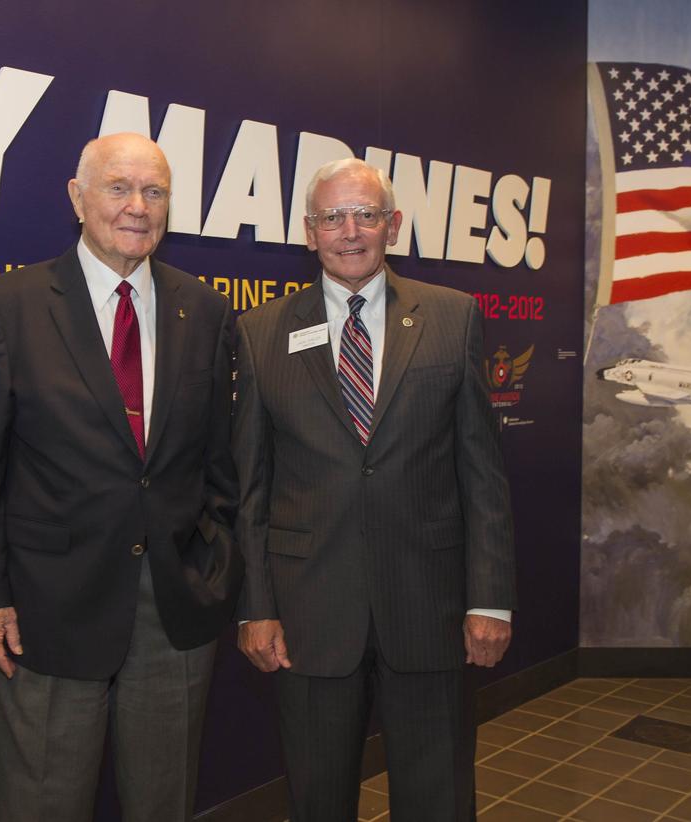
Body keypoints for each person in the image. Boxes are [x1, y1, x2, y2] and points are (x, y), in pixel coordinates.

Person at [0, 132, 240, 822]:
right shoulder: (13, 305)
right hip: (48, 609)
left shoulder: (204, 310)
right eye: (118, 188)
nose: (137, 207)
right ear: (77, 198)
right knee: (43, 804)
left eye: (154, 192)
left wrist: (214, 565)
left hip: (173, 609)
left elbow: (223, 463)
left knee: (163, 803)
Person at [233, 158, 517, 821]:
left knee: (437, 798)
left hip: (431, 609)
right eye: (332, 217)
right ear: (309, 232)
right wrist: (255, 606)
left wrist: (492, 601)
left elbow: (484, 475)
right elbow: (250, 486)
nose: (350, 230)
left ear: (392, 224)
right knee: (317, 799)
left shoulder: (453, 318)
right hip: (308, 618)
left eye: (365, 214)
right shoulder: (260, 331)